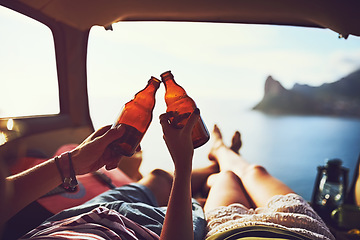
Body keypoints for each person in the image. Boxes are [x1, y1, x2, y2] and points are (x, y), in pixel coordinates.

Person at [0, 108, 216, 240]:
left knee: (158, 177)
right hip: (138, 232)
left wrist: (73, 161)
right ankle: (220, 163)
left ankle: (212, 166)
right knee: (204, 200)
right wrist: (183, 163)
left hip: (75, 220)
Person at [202, 124, 336, 240]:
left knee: (227, 176)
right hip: (302, 230)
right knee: (255, 171)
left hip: (231, 232)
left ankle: (219, 152)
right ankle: (223, 152)